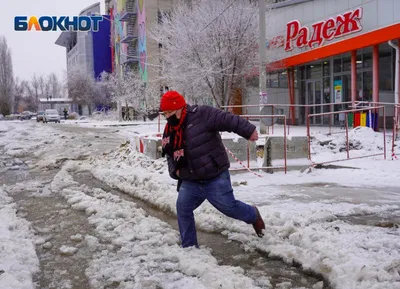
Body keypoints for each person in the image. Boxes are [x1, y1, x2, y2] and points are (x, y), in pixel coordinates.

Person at [160, 90, 265, 248]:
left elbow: (227, 119)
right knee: (183, 207)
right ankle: (189, 247)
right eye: (165, 114)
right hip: (190, 180)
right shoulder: (170, 130)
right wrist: (175, 172)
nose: (167, 117)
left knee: (229, 207)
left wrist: (248, 130)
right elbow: (169, 154)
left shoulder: (202, 114)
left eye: (169, 112)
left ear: (180, 108)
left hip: (214, 176)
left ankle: (253, 215)